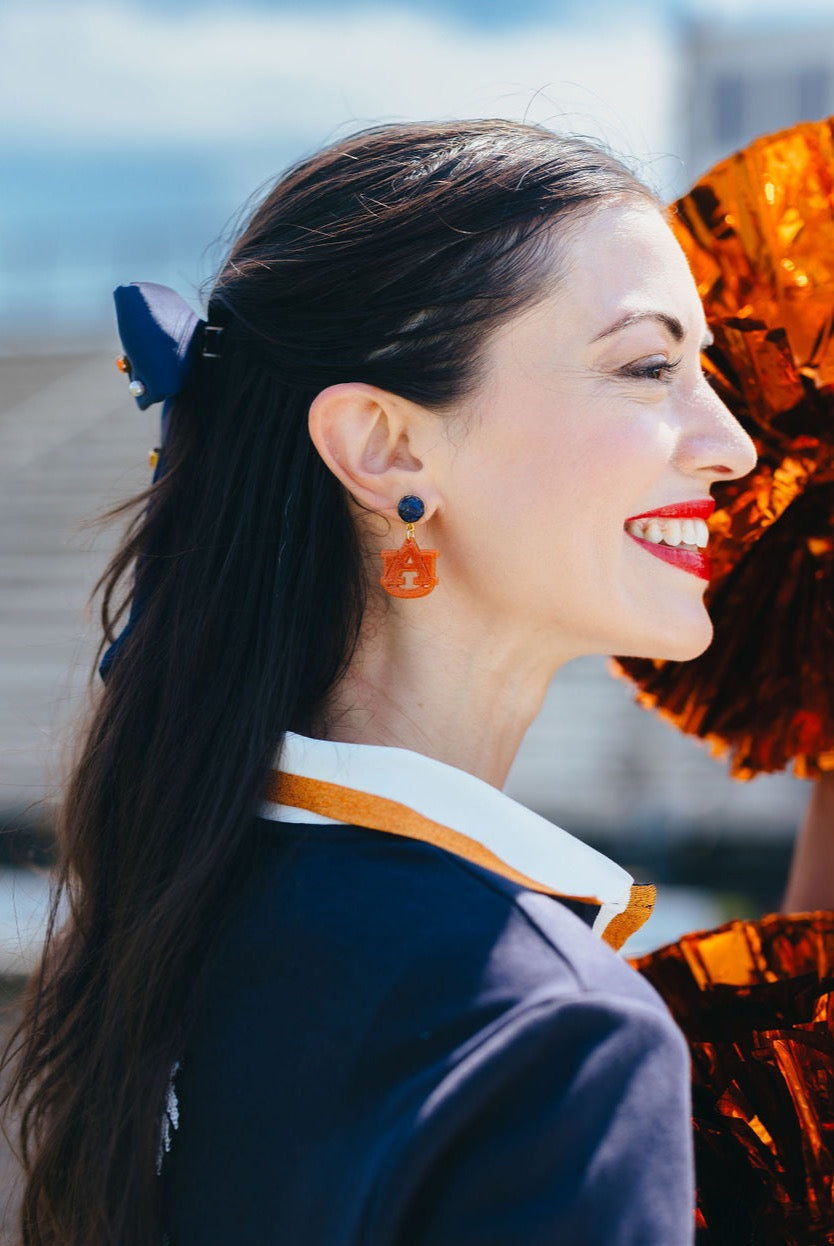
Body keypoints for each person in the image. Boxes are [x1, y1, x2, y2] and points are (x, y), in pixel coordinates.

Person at [3, 120, 757, 1246]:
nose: (732, 441)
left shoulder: (172, 908)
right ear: (387, 448)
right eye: (649, 366)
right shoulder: (559, 1040)